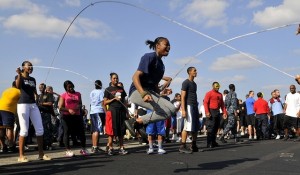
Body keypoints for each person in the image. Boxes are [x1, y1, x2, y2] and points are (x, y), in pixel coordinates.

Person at [128, 37, 177, 125]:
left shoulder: (162, 66)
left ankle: (138, 123)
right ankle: (136, 121)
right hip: (137, 92)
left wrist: (162, 92)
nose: (169, 47)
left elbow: (155, 86)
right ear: (157, 46)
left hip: (150, 92)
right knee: (165, 111)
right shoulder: (149, 57)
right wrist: (143, 94)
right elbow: (135, 77)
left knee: (172, 109)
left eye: (169, 45)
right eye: (166, 44)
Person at [15, 61, 51, 162]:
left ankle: (41, 154)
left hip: (33, 105)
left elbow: (34, 91)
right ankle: (21, 156)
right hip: (23, 104)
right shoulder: (19, 77)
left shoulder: (33, 79)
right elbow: (18, 86)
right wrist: (18, 74)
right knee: (24, 130)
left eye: (32, 66)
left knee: (40, 129)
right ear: (23, 67)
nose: (31, 68)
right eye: (29, 66)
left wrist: (39, 95)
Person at [58, 80, 88, 157]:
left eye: (72, 86)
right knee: (67, 132)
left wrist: (78, 106)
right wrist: (68, 110)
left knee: (81, 132)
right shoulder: (63, 95)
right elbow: (60, 107)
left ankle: (83, 149)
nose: (71, 88)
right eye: (69, 87)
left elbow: (80, 103)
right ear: (66, 88)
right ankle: (68, 150)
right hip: (66, 116)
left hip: (77, 115)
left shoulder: (78, 94)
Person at [104, 73, 128, 156]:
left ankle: (121, 148)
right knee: (111, 131)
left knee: (121, 130)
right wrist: (114, 99)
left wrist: (127, 111)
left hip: (121, 111)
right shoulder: (108, 89)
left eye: (117, 78)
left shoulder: (121, 89)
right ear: (111, 79)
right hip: (112, 111)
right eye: (114, 78)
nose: (116, 80)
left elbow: (124, 101)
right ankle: (110, 148)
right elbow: (105, 102)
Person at [179, 67, 200, 154]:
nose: (196, 72)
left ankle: (193, 145)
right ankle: (182, 146)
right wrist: (183, 110)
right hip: (189, 106)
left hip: (195, 106)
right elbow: (182, 97)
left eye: (196, 70)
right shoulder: (185, 82)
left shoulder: (194, 84)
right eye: (194, 70)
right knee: (187, 127)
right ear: (189, 72)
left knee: (195, 127)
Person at [203, 82, 227, 148]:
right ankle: (209, 143)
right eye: (216, 86)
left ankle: (213, 141)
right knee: (211, 127)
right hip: (211, 111)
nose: (217, 88)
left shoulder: (220, 94)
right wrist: (207, 112)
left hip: (217, 111)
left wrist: (225, 112)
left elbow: (222, 104)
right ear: (213, 86)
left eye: (218, 87)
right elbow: (205, 103)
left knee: (216, 127)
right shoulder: (209, 93)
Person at [0, 81, 20, 153]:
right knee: (9, 128)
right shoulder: (18, 91)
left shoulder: (6, 90)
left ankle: (3, 146)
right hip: (8, 110)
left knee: (1, 128)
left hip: (0, 108)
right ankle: (11, 147)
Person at [89, 80, 105, 153]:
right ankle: (95, 147)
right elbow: (102, 103)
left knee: (94, 130)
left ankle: (94, 146)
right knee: (97, 130)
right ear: (100, 85)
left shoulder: (92, 92)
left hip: (92, 111)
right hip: (99, 111)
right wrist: (106, 111)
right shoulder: (101, 92)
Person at [37, 83, 54, 150]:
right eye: (39, 88)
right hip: (40, 114)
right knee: (41, 129)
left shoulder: (49, 95)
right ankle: (42, 144)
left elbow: (50, 103)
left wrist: (42, 103)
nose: (40, 89)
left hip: (46, 114)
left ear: (44, 88)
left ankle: (48, 144)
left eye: (41, 87)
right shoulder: (39, 96)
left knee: (47, 129)